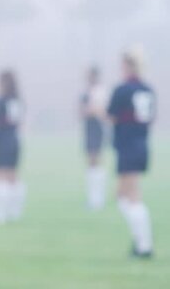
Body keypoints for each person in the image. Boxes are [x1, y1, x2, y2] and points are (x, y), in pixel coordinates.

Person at [107, 47, 155, 258]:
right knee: (124, 194)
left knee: (130, 195)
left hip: (128, 145)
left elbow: (112, 116)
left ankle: (144, 246)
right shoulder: (148, 89)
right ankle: (140, 243)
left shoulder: (123, 90)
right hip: (142, 144)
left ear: (127, 66)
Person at [0, 70, 25, 225]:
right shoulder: (17, 101)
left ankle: (0, 216)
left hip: (1, 141)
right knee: (13, 177)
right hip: (15, 141)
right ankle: (14, 213)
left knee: (1, 177)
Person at [80, 66, 109, 210]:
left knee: (96, 160)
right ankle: (93, 198)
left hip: (97, 128)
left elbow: (100, 110)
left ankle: (98, 199)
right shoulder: (88, 91)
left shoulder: (99, 91)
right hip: (89, 128)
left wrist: (89, 110)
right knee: (91, 162)